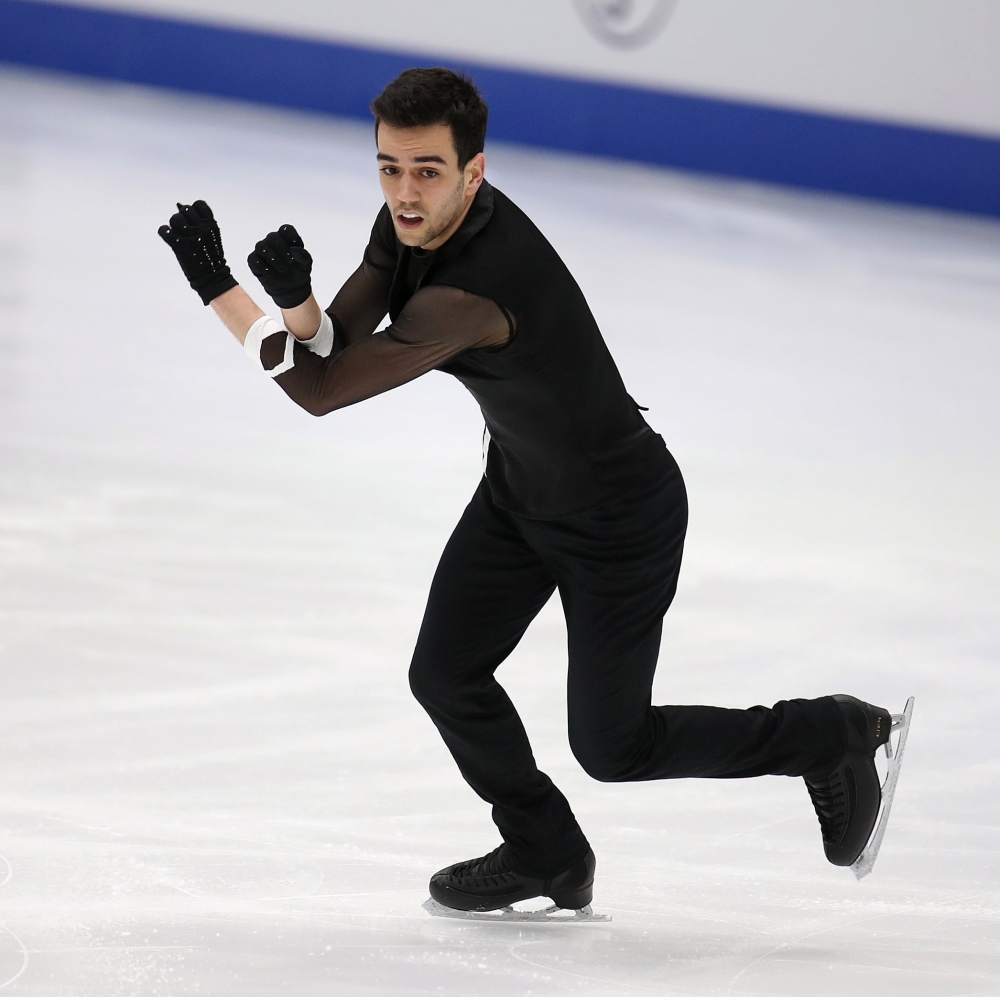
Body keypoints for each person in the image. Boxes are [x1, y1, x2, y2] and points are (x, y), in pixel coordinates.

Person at [158, 68, 905, 914]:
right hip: (518, 497)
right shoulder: (408, 223)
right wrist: (295, 303)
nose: (404, 192)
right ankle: (545, 849)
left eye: (426, 171)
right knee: (445, 674)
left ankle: (829, 733)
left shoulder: (473, 293)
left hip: (618, 517)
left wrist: (217, 286)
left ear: (473, 173)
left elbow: (322, 392)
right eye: (389, 167)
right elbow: (332, 345)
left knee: (613, 746)